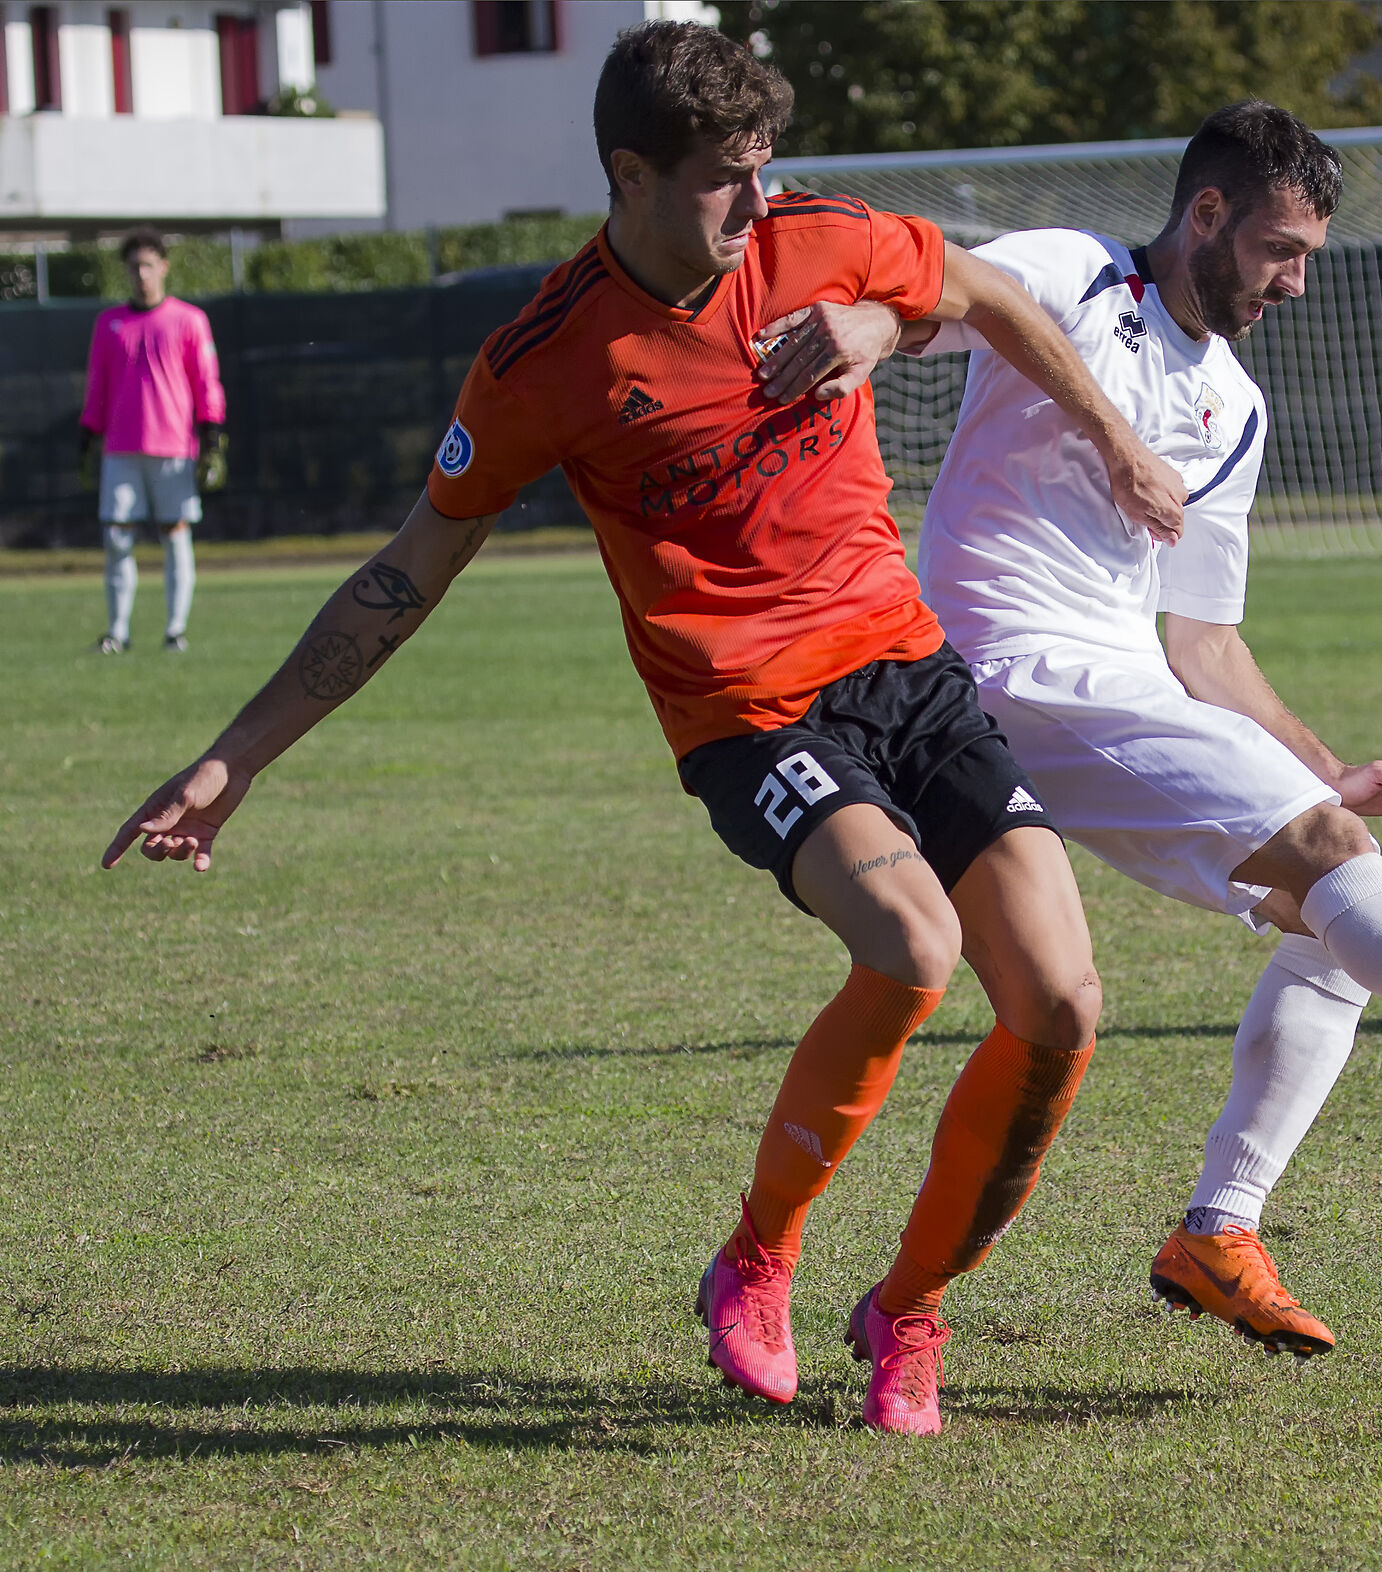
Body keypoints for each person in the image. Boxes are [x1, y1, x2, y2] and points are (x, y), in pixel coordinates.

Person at [102, 20, 1183, 1438]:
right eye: (727, 177)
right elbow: (404, 573)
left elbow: (979, 291)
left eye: (766, 166)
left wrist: (1067, 414)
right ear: (631, 174)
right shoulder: (545, 359)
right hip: (746, 711)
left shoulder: (820, 237)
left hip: (904, 667)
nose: (759, 199)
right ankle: (761, 1248)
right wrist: (233, 757)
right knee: (913, 945)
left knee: (1059, 1008)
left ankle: (909, 1310)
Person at [757, 101, 1382, 1360]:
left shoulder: (1235, 406)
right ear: (1208, 215)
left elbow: (1205, 646)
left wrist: (1330, 764)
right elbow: (937, 302)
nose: (1293, 282)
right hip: (1007, 670)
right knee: (1333, 862)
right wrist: (862, 320)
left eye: (1310, 260)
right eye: (1280, 250)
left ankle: (1218, 1234)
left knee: (1336, 928)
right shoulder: (1074, 271)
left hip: (1127, 689)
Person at [82, 227, 227, 654]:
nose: (141, 273)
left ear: (163, 266)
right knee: (116, 537)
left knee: (175, 532)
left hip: (174, 448)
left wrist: (211, 432)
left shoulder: (188, 320)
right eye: (134, 266)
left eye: (148, 264)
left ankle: (174, 631)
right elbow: (98, 384)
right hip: (122, 448)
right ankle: (118, 632)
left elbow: (206, 381)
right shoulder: (110, 323)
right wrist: (88, 432)